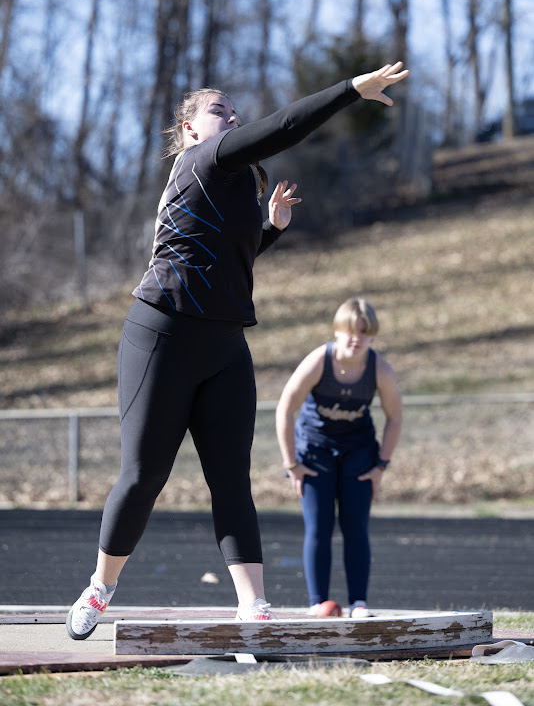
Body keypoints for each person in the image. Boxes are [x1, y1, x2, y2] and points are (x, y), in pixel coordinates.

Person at [67, 63, 409, 640]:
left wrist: (269, 230)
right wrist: (352, 90)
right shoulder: (201, 160)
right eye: (218, 111)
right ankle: (100, 586)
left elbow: (227, 260)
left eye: (233, 111)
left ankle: (253, 605)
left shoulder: (233, 186)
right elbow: (284, 126)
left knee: (231, 480)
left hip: (225, 343)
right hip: (163, 334)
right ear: (190, 129)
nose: (231, 117)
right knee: (144, 475)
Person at [276, 297, 402, 618]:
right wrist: (292, 464)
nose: (356, 339)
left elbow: (395, 417)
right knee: (319, 526)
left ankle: (359, 603)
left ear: (372, 336)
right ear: (336, 331)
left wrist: (381, 465)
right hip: (315, 451)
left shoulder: (380, 369)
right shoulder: (320, 361)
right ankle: (317, 603)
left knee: (355, 527)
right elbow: (285, 409)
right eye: (349, 331)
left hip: (358, 452)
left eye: (364, 332)